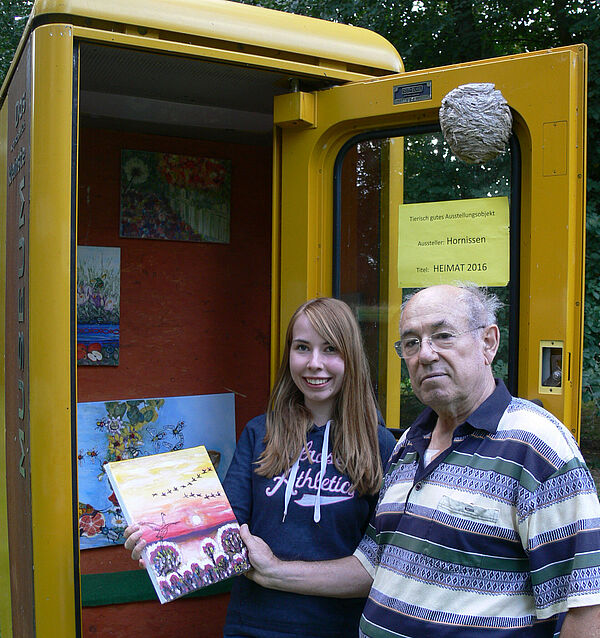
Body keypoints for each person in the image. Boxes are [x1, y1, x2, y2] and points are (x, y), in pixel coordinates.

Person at [239, 284, 600, 637]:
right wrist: (275, 572)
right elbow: (370, 566)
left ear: (488, 342)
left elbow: (586, 605)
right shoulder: (408, 446)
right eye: (411, 342)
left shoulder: (537, 447)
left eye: (442, 336)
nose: (425, 354)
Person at [124, 296, 396, 638]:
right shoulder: (260, 433)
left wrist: (279, 570)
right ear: (289, 356)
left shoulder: (381, 446)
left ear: (351, 358)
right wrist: (163, 536)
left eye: (330, 349)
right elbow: (226, 527)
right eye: (302, 348)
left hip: (341, 627)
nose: (314, 363)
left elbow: (384, 564)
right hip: (253, 625)